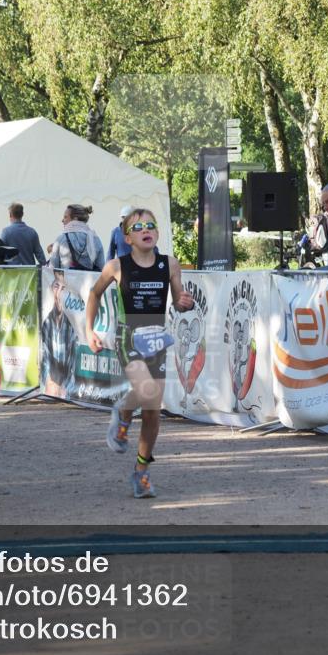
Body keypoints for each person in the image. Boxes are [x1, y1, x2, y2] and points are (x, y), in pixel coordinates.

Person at [85, 208, 195, 499]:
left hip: (156, 337)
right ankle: (122, 414)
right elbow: (94, 294)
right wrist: (90, 330)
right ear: (127, 237)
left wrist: (184, 302)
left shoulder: (169, 264)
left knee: (152, 412)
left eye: (151, 225)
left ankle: (141, 471)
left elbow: (178, 302)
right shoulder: (116, 266)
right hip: (128, 335)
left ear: (157, 233)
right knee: (145, 389)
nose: (146, 229)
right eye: (138, 227)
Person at [40, 270, 79, 399]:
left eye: (64, 288)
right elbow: (44, 359)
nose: (59, 292)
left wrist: (65, 387)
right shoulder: (47, 322)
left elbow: (73, 362)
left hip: (66, 387)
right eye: (56, 286)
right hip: (51, 386)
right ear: (52, 288)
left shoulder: (71, 325)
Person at [48, 204, 105, 271]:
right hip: (89, 281)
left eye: (65, 217)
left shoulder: (60, 239)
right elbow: (101, 269)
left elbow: (52, 270)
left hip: (66, 281)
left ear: (75, 219)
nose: (62, 220)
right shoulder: (95, 239)